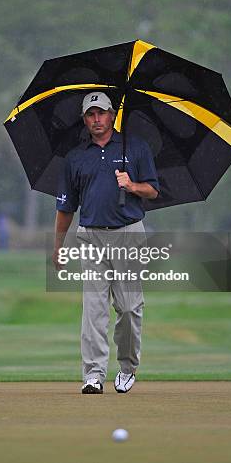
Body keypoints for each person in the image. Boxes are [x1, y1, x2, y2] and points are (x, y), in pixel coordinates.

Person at [52, 91, 160, 394]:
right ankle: (94, 374)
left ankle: (127, 368)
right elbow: (65, 207)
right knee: (94, 308)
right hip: (91, 235)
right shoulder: (75, 158)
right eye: (90, 114)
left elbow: (152, 190)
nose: (96, 119)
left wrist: (131, 185)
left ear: (113, 115)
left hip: (128, 232)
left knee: (128, 308)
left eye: (101, 113)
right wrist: (58, 246)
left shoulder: (136, 148)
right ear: (85, 120)